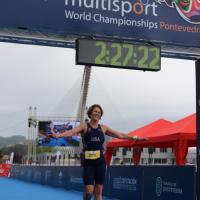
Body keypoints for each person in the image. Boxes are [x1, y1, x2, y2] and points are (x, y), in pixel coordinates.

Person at [51, 104, 147, 200]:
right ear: (90, 113)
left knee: (99, 189)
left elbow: (120, 134)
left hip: (100, 161)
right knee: (89, 191)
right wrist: (58, 135)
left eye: (99, 112)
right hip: (88, 162)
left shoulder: (104, 128)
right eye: (95, 111)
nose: (97, 113)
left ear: (100, 116)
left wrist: (135, 138)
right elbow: (71, 132)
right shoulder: (84, 126)